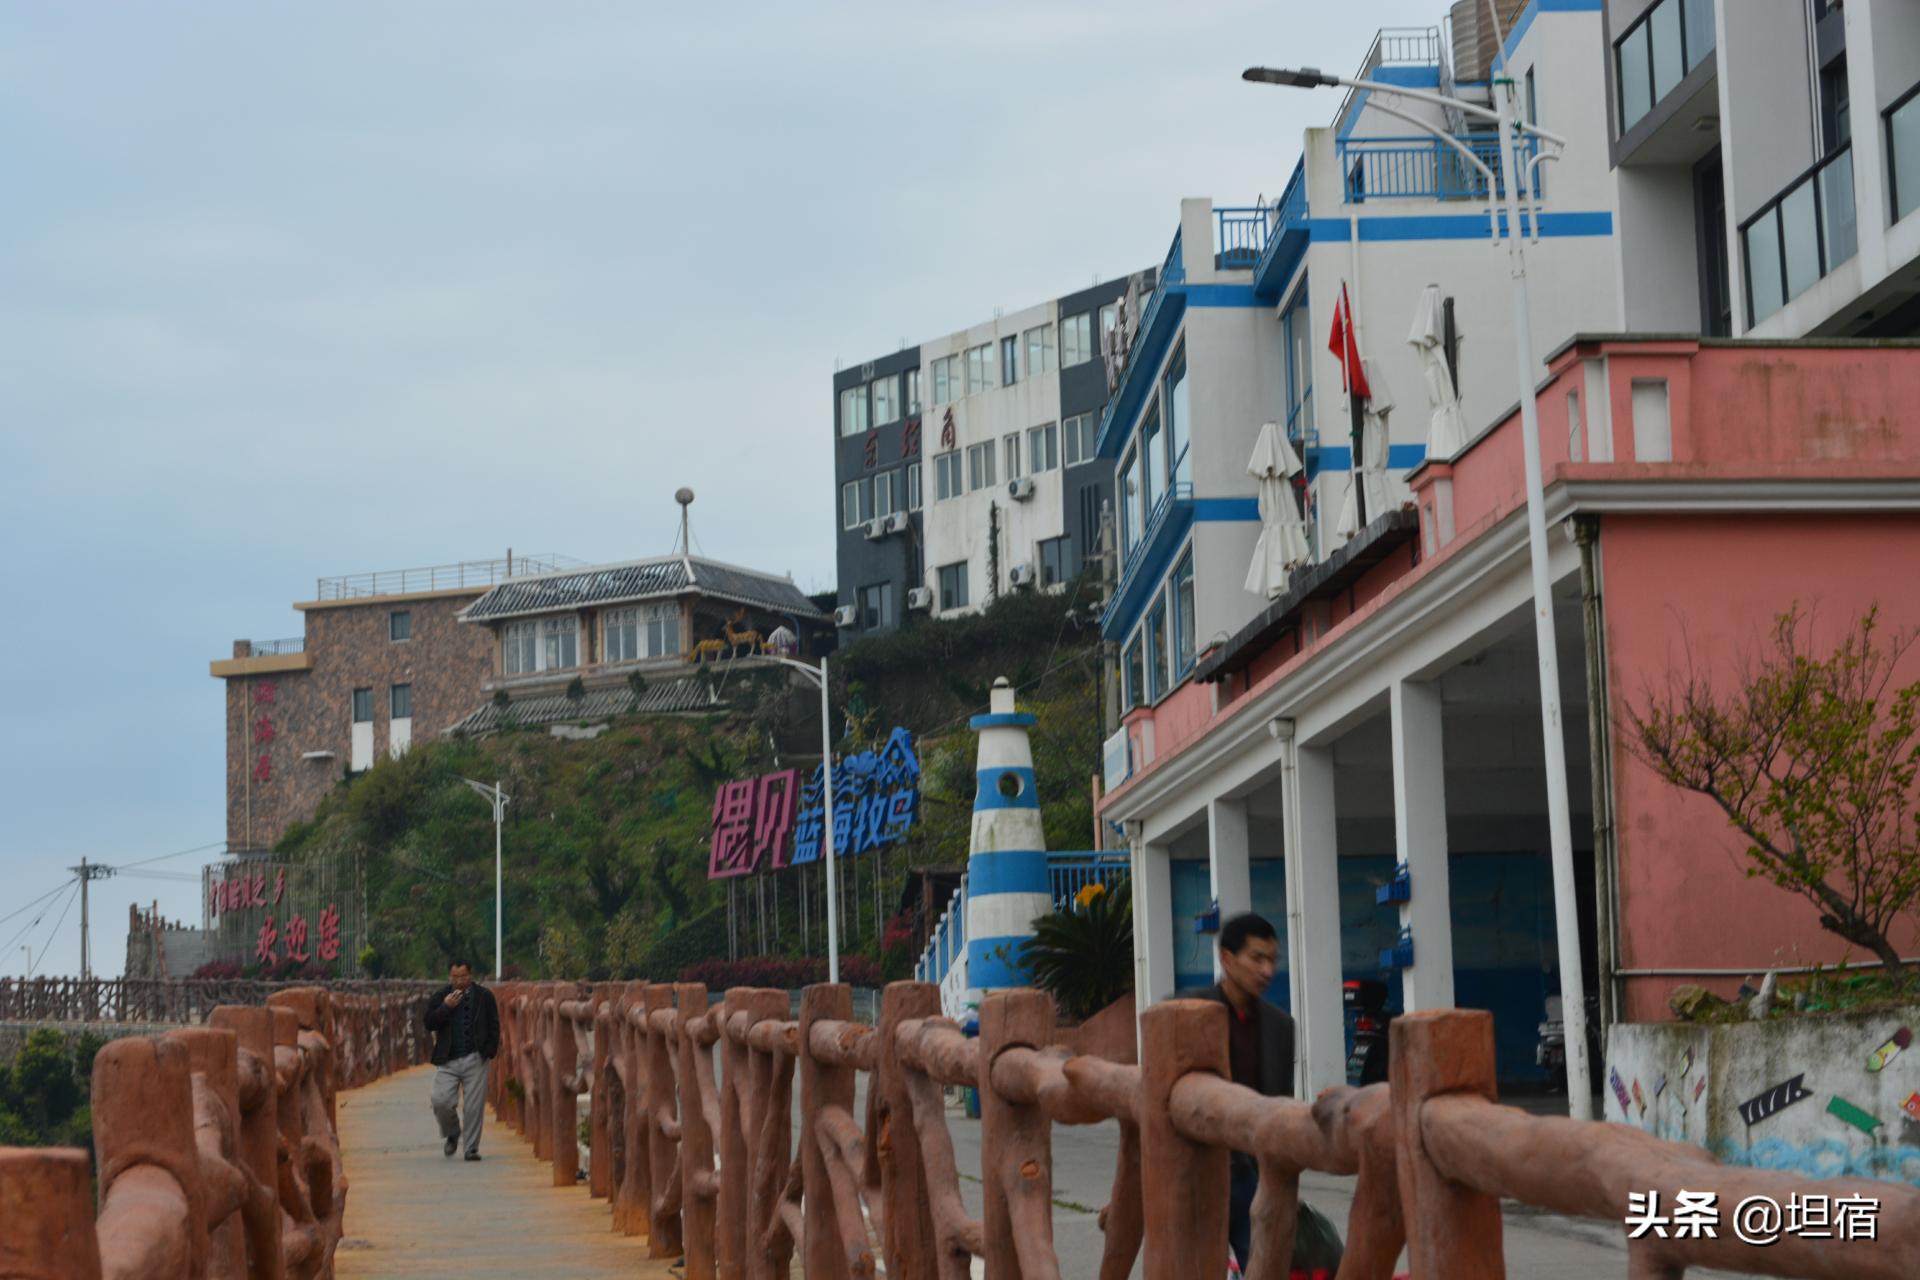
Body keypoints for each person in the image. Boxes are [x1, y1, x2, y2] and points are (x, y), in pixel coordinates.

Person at [1201, 913, 1293, 1272]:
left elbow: (1281, 1104)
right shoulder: (1187, 1011)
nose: (1267, 970)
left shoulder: (1280, 1027)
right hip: (1196, 1175)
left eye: (1272, 960)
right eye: (1257, 958)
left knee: (1266, 1268)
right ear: (1227, 958)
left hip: (1249, 1180)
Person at [422, 959, 500, 1161]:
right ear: (449, 977)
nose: (459, 981)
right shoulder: (440, 996)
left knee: (474, 1106)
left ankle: (471, 1148)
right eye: (455, 977)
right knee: (440, 1101)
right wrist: (446, 1007)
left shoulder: (484, 997)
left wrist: (490, 1049)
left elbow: (494, 1024)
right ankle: (453, 1132)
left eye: (463, 977)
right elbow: (429, 1022)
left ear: (470, 975)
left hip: (476, 1057)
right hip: (447, 1059)